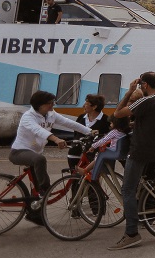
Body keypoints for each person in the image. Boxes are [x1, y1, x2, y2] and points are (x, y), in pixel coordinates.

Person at [109, 72, 155, 250]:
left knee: (127, 190)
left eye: (140, 85)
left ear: (144, 85)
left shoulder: (146, 101)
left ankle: (131, 233)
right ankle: (146, 215)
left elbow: (118, 114)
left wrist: (129, 92)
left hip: (140, 151)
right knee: (144, 185)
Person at [10, 91, 94, 223]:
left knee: (36, 180)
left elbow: (69, 123)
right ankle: (46, 189)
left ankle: (35, 215)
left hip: (34, 154)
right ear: (39, 105)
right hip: (19, 152)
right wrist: (55, 139)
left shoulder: (51, 114)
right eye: (49, 103)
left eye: (52, 103)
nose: (52, 105)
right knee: (40, 160)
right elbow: (38, 130)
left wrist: (90, 131)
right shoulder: (28, 116)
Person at [68, 94, 111, 176]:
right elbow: (76, 133)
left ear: (94, 107)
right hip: (75, 152)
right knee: (75, 178)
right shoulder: (81, 117)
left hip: (93, 155)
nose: (83, 105)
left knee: (91, 179)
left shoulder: (106, 120)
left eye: (86, 104)